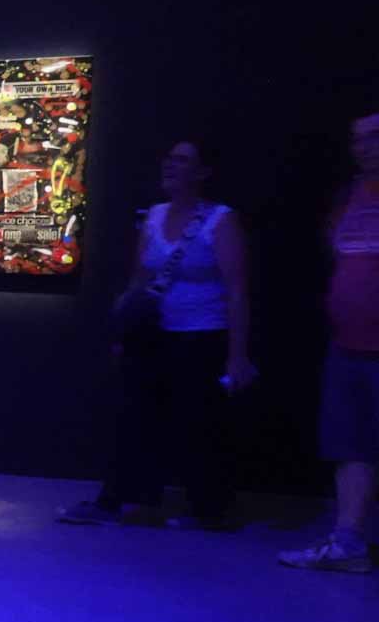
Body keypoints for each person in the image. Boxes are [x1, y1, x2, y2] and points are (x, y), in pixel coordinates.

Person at [59, 141, 255, 528]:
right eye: (169, 158)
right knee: (134, 418)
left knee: (198, 423)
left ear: (202, 172)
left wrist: (237, 354)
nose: (170, 165)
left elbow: (237, 288)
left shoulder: (220, 220)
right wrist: (124, 331)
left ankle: (209, 509)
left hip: (202, 334)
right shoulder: (154, 215)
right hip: (152, 335)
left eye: (182, 160)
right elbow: (140, 279)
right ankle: (122, 499)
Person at [279, 113, 379, 573]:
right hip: (347, 345)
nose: (363, 146)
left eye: (374, 137)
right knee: (350, 446)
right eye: (357, 139)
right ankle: (348, 541)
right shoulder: (349, 196)